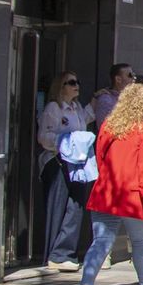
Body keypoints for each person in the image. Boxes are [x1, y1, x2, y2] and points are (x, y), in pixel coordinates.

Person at [72, 83, 143, 285]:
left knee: (101, 242)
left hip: (107, 191)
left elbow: (100, 158)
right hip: (133, 194)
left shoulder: (108, 126)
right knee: (141, 243)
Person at [37, 71, 90, 269]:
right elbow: (44, 136)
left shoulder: (77, 108)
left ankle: (65, 252)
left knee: (75, 207)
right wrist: (66, 142)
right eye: (71, 82)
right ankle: (53, 254)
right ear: (61, 86)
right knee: (58, 206)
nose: (76, 85)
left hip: (77, 163)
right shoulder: (53, 108)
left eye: (77, 81)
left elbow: (87, 121)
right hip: (58, 161)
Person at [90, 63, 133, 127]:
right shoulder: (105, 100)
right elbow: (105, 128)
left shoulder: (131, 98)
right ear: (118, 79)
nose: (133, 78)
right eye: (130, 75)